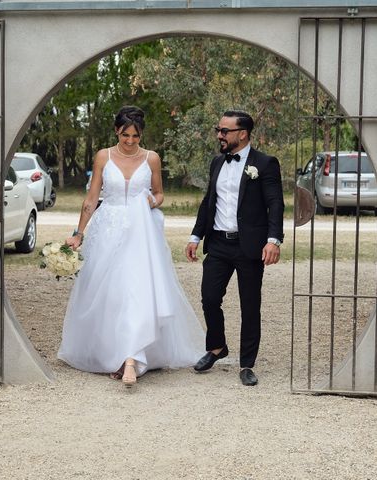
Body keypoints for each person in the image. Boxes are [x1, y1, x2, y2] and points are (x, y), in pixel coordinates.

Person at [58, 106, 205, 388]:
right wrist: (78, 233)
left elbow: (160, 194)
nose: (130, 141)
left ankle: (131, 359)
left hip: (141, 234)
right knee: (111, 295)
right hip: (108, 231)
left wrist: (147, 202)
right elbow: (91, 199)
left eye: (135, 136)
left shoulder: (151, 159)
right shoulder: (104, 156)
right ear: (116, 131)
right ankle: (114, 352)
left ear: (141, 135)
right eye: (125, 135)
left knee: (136, 291)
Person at [185, 110, 284, 386]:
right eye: (219, 129)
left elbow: (275, 203)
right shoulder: (217, 162)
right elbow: (208, 201)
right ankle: (217, 347)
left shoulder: (264, 164)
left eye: (224, 131)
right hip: (217, 243)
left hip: (249, 245)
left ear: (243, 134)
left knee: (250, 305)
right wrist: (196, 236)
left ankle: (247, 364)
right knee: (209, 298)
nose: (219, 135)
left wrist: (273, 240)